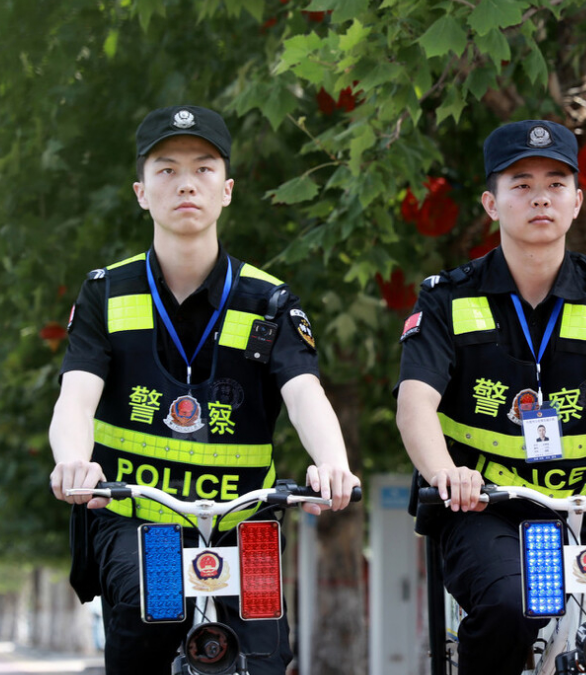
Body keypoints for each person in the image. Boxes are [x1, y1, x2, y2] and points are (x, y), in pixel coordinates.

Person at [48, 105, 360, 675]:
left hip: (245, 523)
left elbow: (304, 391)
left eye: (204, 168)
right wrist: (73, 462)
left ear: (228, 189)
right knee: (153, 614)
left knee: (264, 660)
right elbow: (76, 395)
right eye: (166, 170)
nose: (186, 182)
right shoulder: (106, 293)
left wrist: (333, 465)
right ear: (141, 192)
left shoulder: (270, 301)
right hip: (140, 517)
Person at [394, 119, 586, 675]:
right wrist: (448, 474)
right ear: (492, 204)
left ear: (577, 202)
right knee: (511, 609)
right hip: (488, 507)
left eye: (556, 182)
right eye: (521, 183)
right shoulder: (447, 298)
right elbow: (415, 402)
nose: (540, 195)